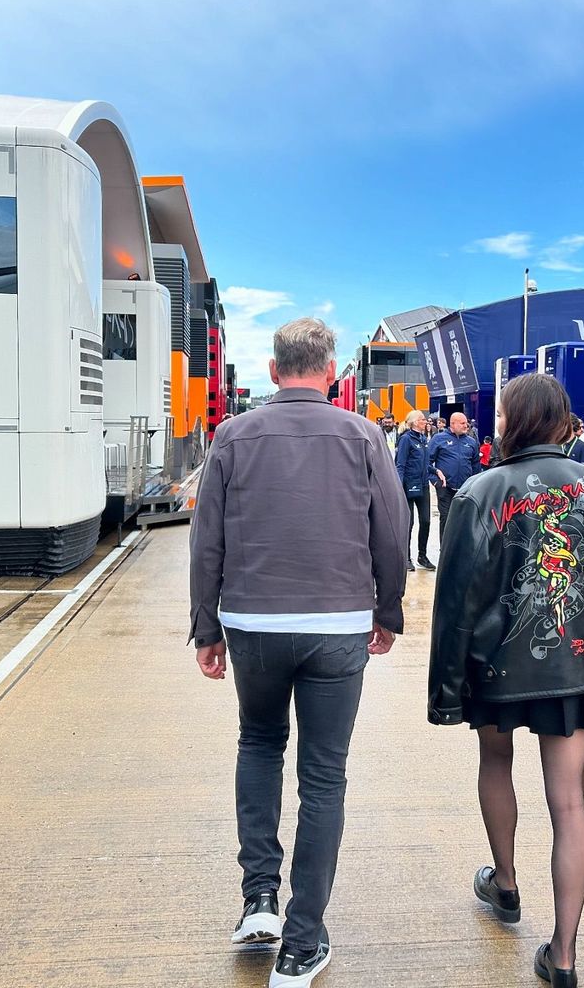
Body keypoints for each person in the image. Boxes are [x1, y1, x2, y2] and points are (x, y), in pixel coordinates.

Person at [188, 318, 409, 988]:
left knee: (258, 742)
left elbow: (206, 540)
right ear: (331, 367)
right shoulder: (363, 435)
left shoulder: (233, 435)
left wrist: (206, 628)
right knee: (324, 776)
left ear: (275, 366)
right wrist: (388, 610)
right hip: (337, 624)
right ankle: (303, 942)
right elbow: (392, 532)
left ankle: (259, 901)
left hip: (252, 620)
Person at [428, 372, 584, 988]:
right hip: (579, 663)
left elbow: (455, 601)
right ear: (563, 420)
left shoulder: (480, 491)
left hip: (497, 665)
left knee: (496, 762)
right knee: (568, 802)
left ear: (511, 421)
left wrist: (446, 688)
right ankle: (565, 955)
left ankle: (505, 884)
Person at [428, 411, 482, 541]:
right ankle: (445, 554)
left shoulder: (471, 442)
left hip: (465, 489)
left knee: (464, 522)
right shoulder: (438, 439)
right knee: (446, 520)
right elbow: (427, 461)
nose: (466, 425)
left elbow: (476, 465)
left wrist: (475, 485)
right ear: (453, 424)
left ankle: (460, 554)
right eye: (462, 423)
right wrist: (436, 481)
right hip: (445, 488)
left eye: (466, 422)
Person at [396, 409, 436, 572]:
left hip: (423, 484)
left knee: (426, 520)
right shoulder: (406, 439)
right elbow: (401, 464)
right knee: (409, 522)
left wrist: (435, 471)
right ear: (413, 422)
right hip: (408, 484)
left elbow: (424, 463)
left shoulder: (424, 439)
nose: (425, 421)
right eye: (421, 419)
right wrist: (398, 486)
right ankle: (405, 557)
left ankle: (422, 555)